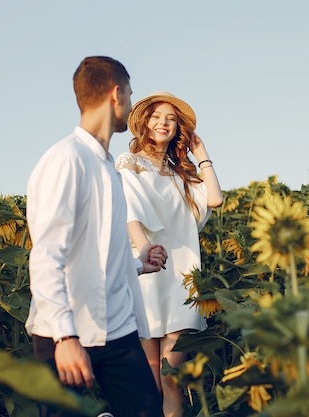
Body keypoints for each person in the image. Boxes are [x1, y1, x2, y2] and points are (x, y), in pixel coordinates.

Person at [25, 56, 168, 417]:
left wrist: (139, 265)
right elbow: (46, 256)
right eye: (131, 95)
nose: (132, 104)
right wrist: (65, 337)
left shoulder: (109, 167)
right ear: (115, 94)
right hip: (67, 333)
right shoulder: (65, 160)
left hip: (117, 331)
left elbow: (100, 252)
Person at [115, 92, 223, 417]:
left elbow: (214, 198)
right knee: (149, 377)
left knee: (172, 376)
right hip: (149, 272)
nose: (163, 123)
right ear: (145, 123)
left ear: (178, 129)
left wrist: (202, 153)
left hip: (181, 279)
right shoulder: (128, 162)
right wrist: (145, 250)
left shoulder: (182, 175)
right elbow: (128, 210)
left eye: (171, 119)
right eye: (157, 116)